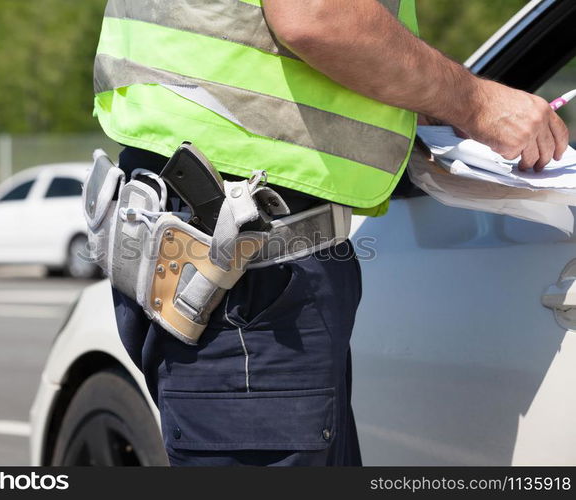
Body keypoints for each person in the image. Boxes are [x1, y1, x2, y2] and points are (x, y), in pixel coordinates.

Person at [92, 0, 569, 466]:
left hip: (232, 250)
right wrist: (475, 100)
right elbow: (316, 15)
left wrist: (418, 104)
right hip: (243, 259)